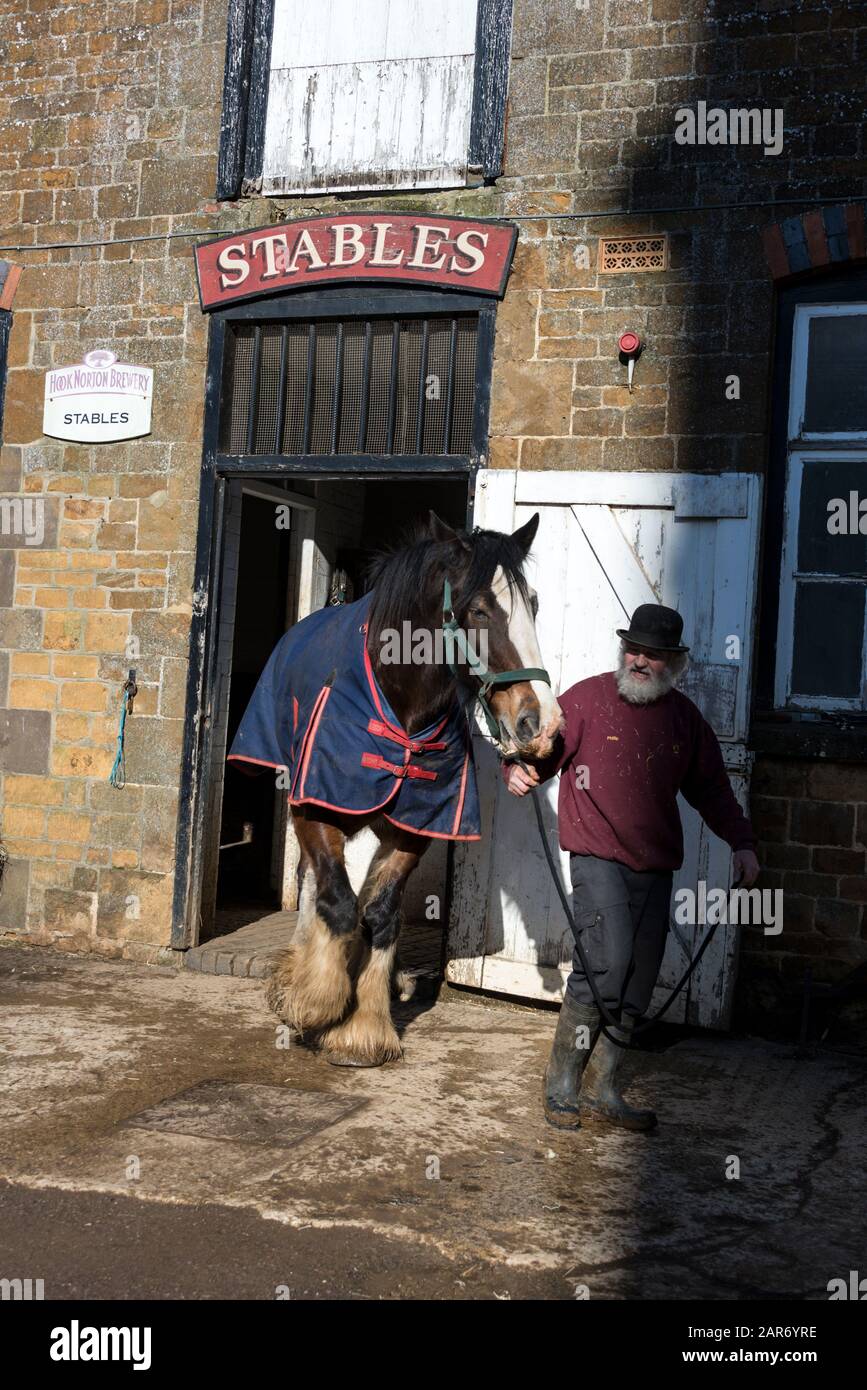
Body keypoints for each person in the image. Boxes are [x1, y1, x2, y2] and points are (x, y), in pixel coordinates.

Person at [504, 604, 760, 1133]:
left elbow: (712, 790)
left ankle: (603, 1088)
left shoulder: (684, 721)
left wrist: (742, 843)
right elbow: (542, 749)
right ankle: (562, 1086)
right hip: (598, 857)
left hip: (655, 866)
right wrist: (521, 769)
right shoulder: (587, 699)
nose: (640, 660)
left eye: (654, 654)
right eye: (634, 649)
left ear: (675, 661)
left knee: (639, 981)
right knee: (606, 965)